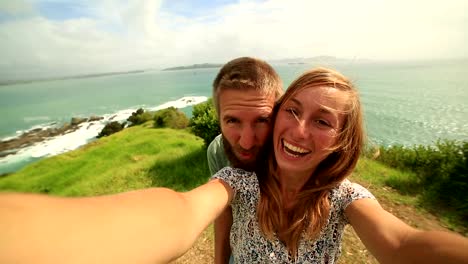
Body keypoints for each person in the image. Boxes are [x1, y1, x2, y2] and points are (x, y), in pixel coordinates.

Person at [1, 67, 468, 264]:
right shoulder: (235, 180)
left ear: (342, 140)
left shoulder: (346, 198)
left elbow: (404, 243)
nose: (300, 130)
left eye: (323, 121)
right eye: (293, 110)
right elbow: (183, 214)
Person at [206, 57, 283, 264]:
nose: (247, 143)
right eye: (232, 120)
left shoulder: (290, 153)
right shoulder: (217, 150)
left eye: (262, 120)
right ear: (219, 118)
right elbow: (224, 210)